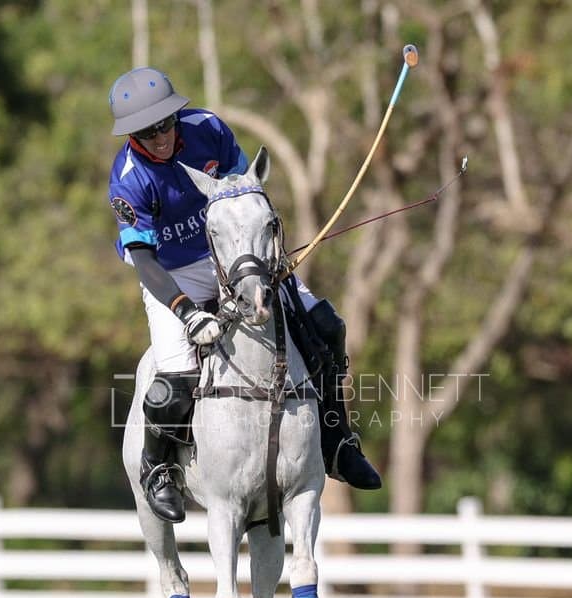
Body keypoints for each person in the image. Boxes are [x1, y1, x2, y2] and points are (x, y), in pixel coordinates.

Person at [108, 67, 381, 523]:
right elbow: (143, 259)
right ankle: (157, 470)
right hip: (174, 272)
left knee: (326, 327)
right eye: (145, 131)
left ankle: (337, 442)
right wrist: (186, 311)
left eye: (164, 123)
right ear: (131, 134)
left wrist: (262, 253)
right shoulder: (129, 178)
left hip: (238, 256)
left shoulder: (208, 129)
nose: (159, 136)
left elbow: (248, 193)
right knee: (174, 378)